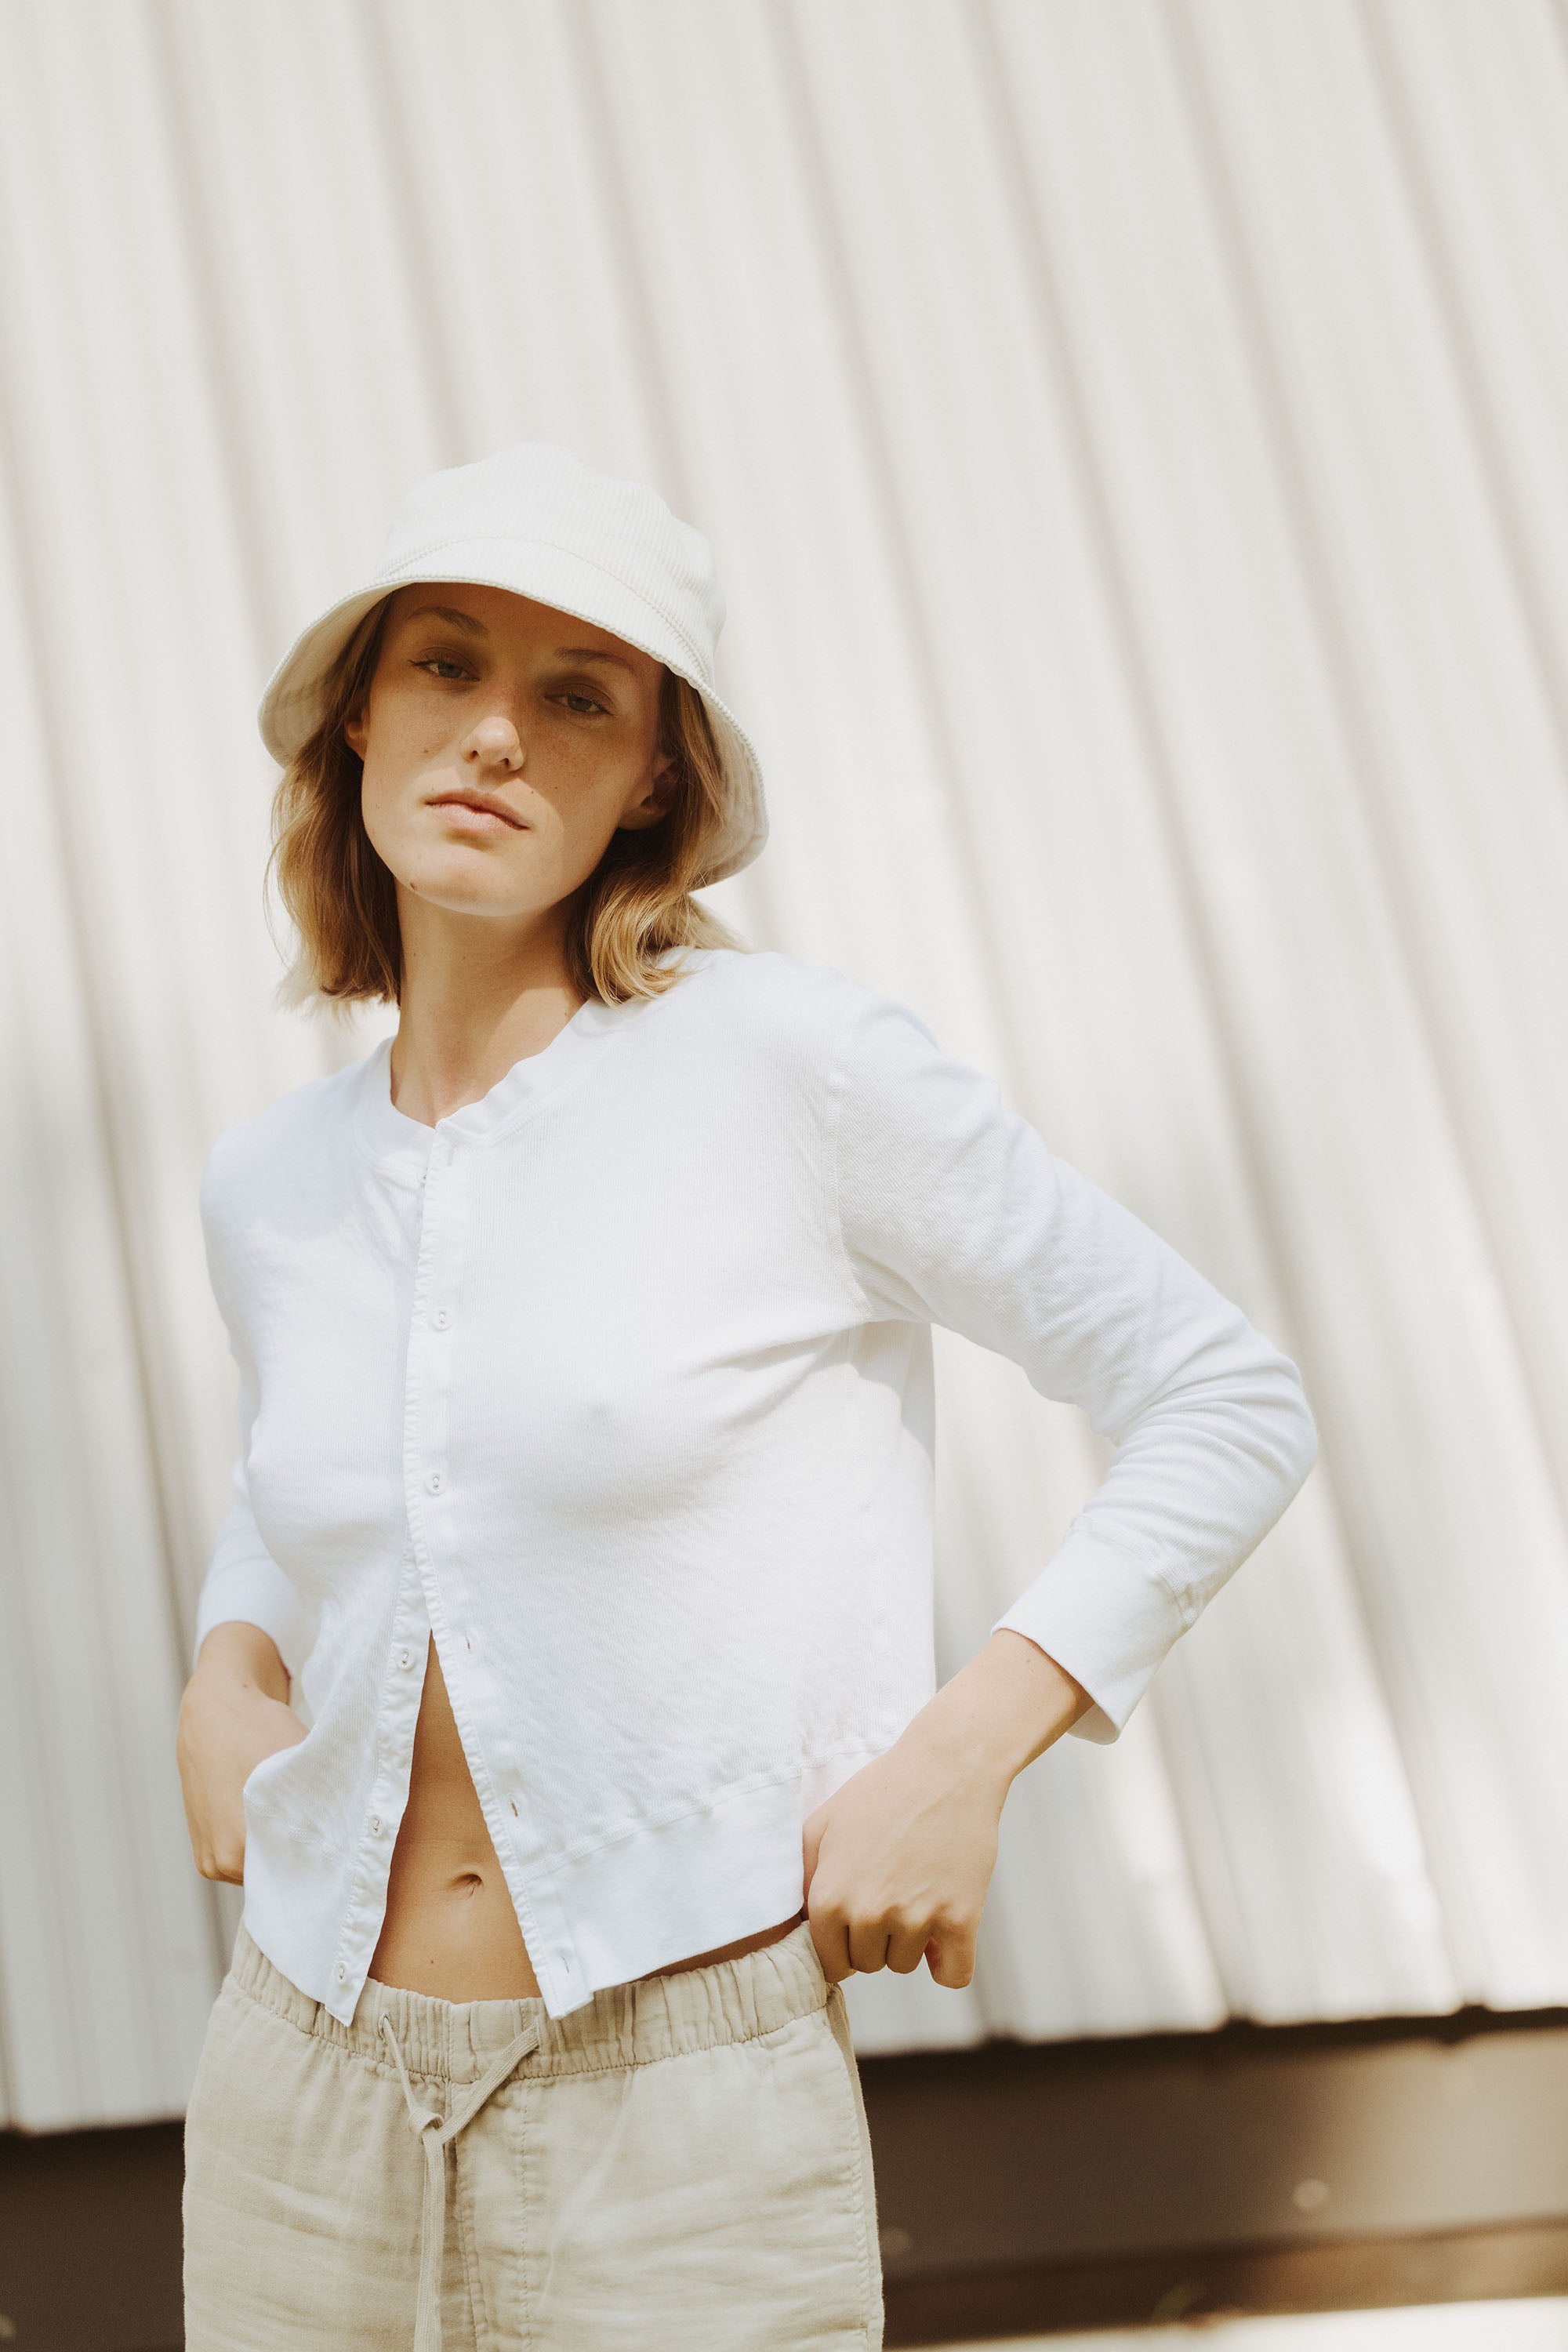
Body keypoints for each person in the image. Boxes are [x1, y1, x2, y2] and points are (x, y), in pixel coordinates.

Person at [176, 441, 1319, 2351]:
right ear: (358, 713)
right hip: (296, 2092)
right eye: (445, 665)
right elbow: (321, 1475)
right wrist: (229, 1663)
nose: (495, 736)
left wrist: (959, 1756)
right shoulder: (270, 1182)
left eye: (579, 698)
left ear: (654, 781)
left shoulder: (789, 1070)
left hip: (677, 2113)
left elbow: (1223, 1395)